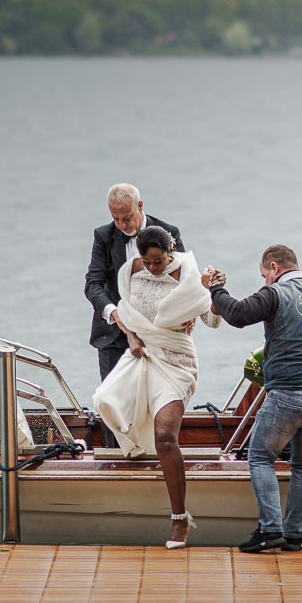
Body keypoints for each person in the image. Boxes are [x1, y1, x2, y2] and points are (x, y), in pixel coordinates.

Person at [203, 245, 302, 553]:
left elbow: (237, 314)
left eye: (264, 274)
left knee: (260, 457)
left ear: (275, 268)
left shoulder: (276, 293)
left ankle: (270, 529)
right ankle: (294, 535)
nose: (265, 280)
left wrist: (216, 288)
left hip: (290, 394)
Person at [92, 226, 220, 548]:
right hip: (142, 355)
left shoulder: (188, 274)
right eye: (147, 262)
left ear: (170, 251)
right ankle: (139, 448)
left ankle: (179, 519)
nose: (152, 267)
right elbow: (127, 313)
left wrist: (214, 291)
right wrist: (131, 336)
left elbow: (213, 320)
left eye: (158, 261)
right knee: (104, 400)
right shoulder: (130, 271)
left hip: (177, 362)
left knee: (165, 435)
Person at [85, 183, 183, 381]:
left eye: (127, 218)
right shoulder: (103, 236)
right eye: (116, 219)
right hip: (114, 337)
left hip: (158, 334)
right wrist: (115, 314)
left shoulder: (168, 232)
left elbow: (183, 280)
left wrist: (185, 314)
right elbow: (93, 284)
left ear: (140, 205)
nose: (121, 225)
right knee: (112, 396)